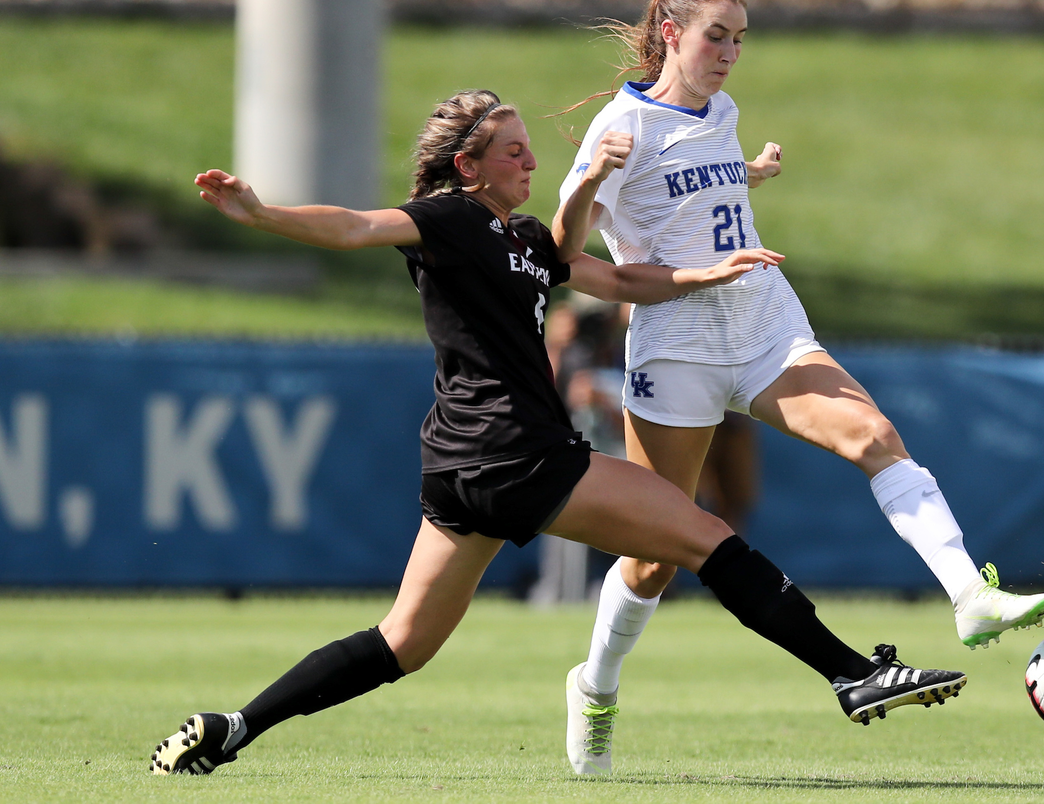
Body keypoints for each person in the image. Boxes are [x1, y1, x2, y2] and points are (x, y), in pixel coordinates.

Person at [148, 90, 967, 778]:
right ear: (467, 166)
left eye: (529, 150)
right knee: (709, 539)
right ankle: (854, 675)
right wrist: (261, 213)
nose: (529, 164)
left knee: (402, 642)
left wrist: (702, 273)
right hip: (520, 452)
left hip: (459, 465)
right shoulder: (452, 220)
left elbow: (615, 278)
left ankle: (234, 726)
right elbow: (358, 227)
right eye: (511, 153)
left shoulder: (528, 240)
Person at [553, 0, 1044, 775]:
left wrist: (746, 172)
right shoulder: (621, 125)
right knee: (653, 553)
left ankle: (970, 594)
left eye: (740, 37)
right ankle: (596, 686)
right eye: (716, 35)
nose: (729, 52)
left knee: (875, 435)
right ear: (672, 33)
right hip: (675, 347)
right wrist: (584, 180)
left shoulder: (721, 112)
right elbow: (565, 253)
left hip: (762, 323)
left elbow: (693, 185)